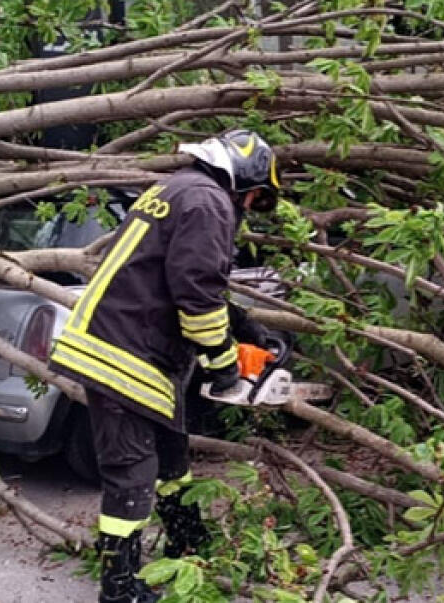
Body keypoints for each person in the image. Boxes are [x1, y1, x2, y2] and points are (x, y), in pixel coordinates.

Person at [46, 130, 282, 603]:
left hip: (133, 347)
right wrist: (225, 368)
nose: (252, 207)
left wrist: (247, 328)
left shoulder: (179, 189)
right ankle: (119, 588)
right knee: (132, 474)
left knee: (173, 459)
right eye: (256, 198)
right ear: (246, 181)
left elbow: (182, 279)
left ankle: (187, 541)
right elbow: (195, 295)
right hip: (124, 354)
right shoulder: (209, 204)